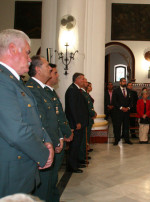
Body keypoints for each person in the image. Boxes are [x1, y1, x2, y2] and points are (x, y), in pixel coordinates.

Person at [0, 29, 53, 201]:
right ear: (13, 49)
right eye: (28, 52)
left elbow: (34, 118)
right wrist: (43, 153)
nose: (30, 59)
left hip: (19, 167)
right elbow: (15, 130)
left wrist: (47, 141)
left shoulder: (11, 80)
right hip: (6, 173)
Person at [26, 56, 63, 201]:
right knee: (43, 187)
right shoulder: (32, 89)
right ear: (38, 69)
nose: (50, 68)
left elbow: (54, 117)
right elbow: (41, 121)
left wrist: (59, 137)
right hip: (44, 145)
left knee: (50, 182)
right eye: (47, 65)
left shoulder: (42, 89)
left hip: (51, 141)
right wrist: (53, 141)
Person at [45, 63, 74, 202]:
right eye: (55, 73)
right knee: (48, 181)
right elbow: (47, 120)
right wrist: (59, 138)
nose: (57, 76)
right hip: (51, 141)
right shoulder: (40, 91)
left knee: (53, 178)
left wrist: (66, 132)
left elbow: (59, 115)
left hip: (58, 138)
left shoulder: (50, 91)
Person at [65, 73, 89, 173]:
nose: (84, 81)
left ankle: (76, 163)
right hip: (76, 123)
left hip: (80, 122)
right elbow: (72, 108)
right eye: (82, 79)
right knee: (74, 145)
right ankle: (71, 166)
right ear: (77, 79)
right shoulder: (72, 90)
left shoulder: (76, 89)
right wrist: (76, 122)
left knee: (77, 144)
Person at [78, 80, 96, 164]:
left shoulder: (85, 94)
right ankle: (82, 156)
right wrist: (92, 113)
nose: (88, 85)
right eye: (87, 84)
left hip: (89, 119)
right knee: (84, 139)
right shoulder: (83, 94)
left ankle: (84, 154)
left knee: (86, 138)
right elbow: (88, 107)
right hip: (87, 118)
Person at [112, 78, 133, 145]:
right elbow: (114, 101)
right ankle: (117, 139)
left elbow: (131, 101)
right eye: (123, 81)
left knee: (126, 126)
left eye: (125, 81)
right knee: (117, 126)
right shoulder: (116, 91)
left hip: (126, 112)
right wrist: (121, 107)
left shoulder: (129, 91)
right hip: (118, 112)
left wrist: (128, 107)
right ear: (120, 83)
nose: (124, 82)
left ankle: (127, 139)